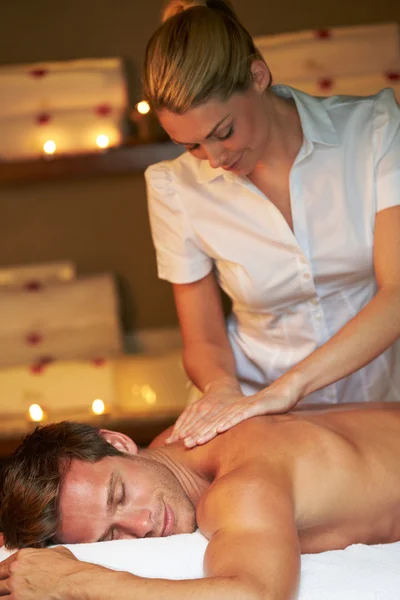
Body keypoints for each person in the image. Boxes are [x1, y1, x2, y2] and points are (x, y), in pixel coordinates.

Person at [143, 0, 400, 449]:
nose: (216, 160)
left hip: (377, 396)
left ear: (258, 77)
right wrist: (221, 387)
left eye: (224, 132)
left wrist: (291, 387)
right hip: (254, 412)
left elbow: (396, 289)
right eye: (193, 146)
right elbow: (202, 335)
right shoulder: (172, 186)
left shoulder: (374, 129)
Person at [1, 401, 400, 600]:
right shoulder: (174, 442)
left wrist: (74, 581)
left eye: (119, 496)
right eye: (110, 537)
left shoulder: (240, 489)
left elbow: (255, 595)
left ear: (118, 442)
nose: (141, 526)